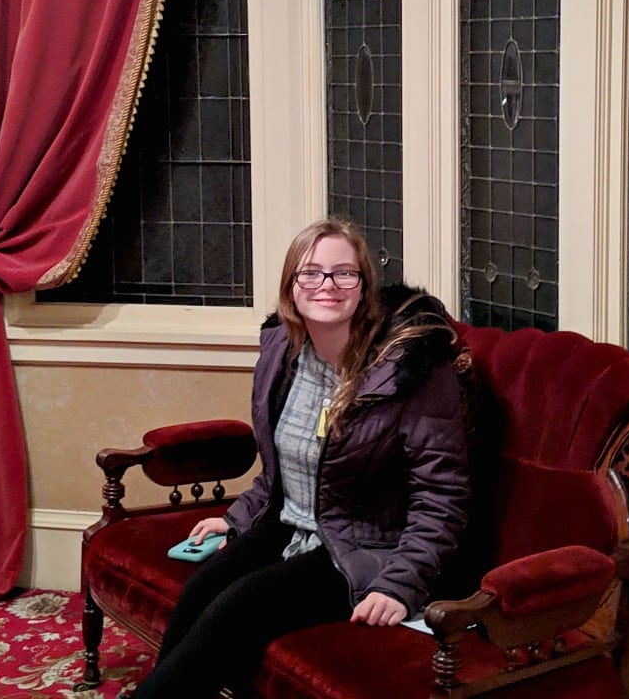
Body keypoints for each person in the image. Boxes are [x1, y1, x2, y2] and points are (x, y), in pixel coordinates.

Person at [129, 217, 470, 699]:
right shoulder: (283, 353)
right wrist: (238, 516)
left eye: (343, 273)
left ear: (364, 286)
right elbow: (282, 470)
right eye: (310, 273)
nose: (326, 285)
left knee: (234, 610)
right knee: (200, 591)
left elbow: (443, 499)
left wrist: (399, 584)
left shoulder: (412, 372)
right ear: (291, 288)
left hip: (363, 546)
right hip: (288, 525)